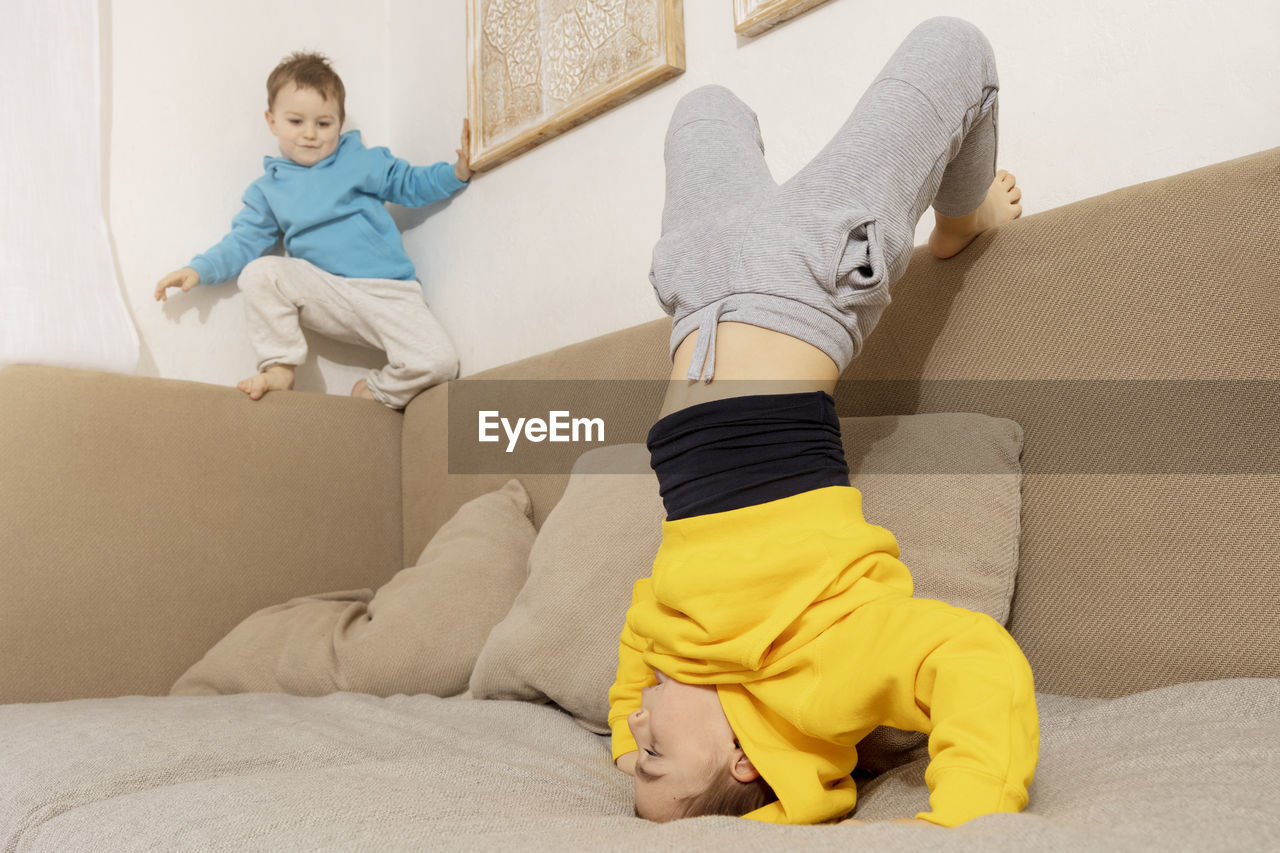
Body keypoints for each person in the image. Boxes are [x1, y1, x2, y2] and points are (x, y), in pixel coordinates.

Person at [607, 17, 1037, 827]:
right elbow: (973, 661)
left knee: (704, 106)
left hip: (696, 289)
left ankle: (935, 208)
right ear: (742, 757)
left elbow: (637, 644)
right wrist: (965, 818)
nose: (635, 728)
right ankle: (961, 216)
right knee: (957, 50)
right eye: (656, 753)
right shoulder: (825, 673)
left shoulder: (677, 656)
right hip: (809, 274)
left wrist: (634, 744)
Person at [154, 51, 471, 409]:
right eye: (295, 122)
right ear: (272, 121)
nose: (309, 134)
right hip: (328, 293)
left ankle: (376, 391)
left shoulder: (361, 159)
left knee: (441, 362)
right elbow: (243, 242)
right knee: (260, 272)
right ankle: (279, 367)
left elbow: (409, 183)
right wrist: (199, 269)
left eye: (323, 124)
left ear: (339, 123)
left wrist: (455, 173)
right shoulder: (268, 190)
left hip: (390, 292)